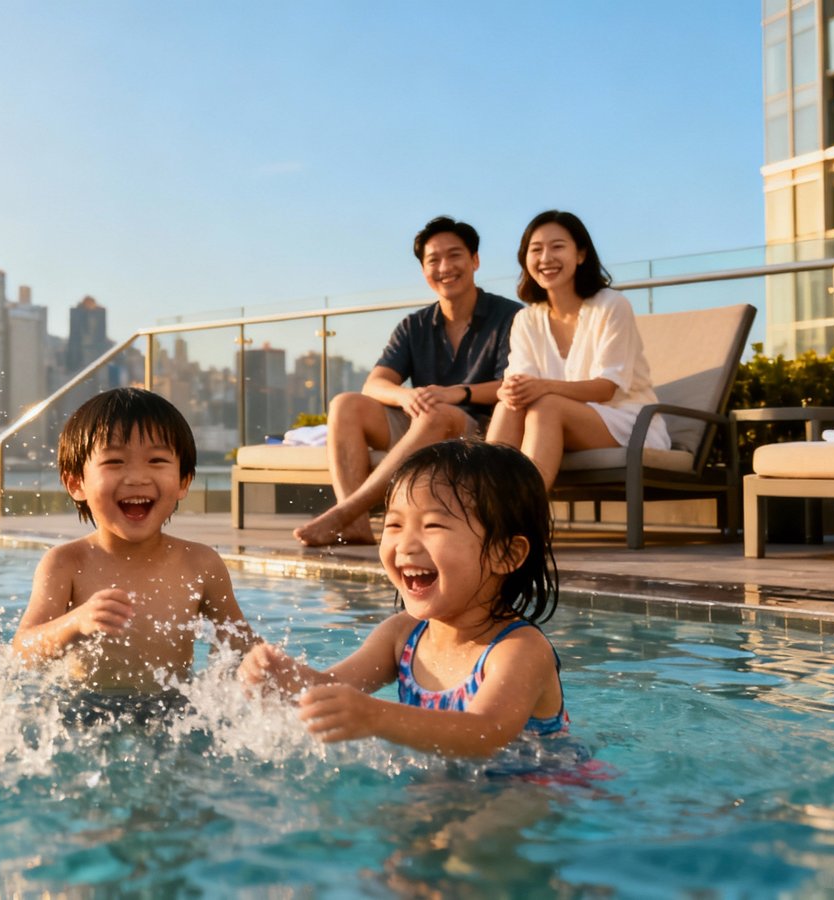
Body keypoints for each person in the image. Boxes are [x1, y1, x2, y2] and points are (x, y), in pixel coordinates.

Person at [241, 440, 566, 757]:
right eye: (394, 524)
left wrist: (376, 717)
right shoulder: (402, 635)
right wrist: (284, 678)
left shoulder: (520, 649)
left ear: (505, 554)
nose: (405, 545)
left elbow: (486, 732)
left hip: (533, 786)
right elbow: (333, 687)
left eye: (433, 525)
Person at [13, 387, 258, 724]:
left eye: (157, 461)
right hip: (85, 709)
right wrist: (75, 623)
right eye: (114, 462)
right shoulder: (66, 563)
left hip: (173, 710)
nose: (138, 477)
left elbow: (238, 639)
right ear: (76, 484)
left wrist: (262, 663)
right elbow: (22, 652)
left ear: (184, 481)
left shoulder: (200, 563)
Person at [295, 216, 520, 547]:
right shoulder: (414, 325)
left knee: (437, 413)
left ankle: (344, 512)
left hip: (482, 428)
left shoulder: (510, 316)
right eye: (433, 260)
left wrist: (458, 393)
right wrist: (405, 397)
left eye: (455, 255)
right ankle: (356, 524)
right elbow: (375, 383)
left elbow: (512, 384)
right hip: (424, 422)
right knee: (345, 404)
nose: (445, 266)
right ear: (424, 271)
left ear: (474, 260)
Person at [486, 209, 670, 488]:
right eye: (536, 250)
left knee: (547, 405)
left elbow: (606, 388)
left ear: (581, 255)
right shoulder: (526, 319)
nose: (546, 258)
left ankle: (525, 513)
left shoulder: (611, 305)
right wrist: (510, 390)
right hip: (552, 422)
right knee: (508, 406)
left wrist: (542, 387)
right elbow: (521, 384)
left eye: (557, 247)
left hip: (628, 422)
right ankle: (485, 507)